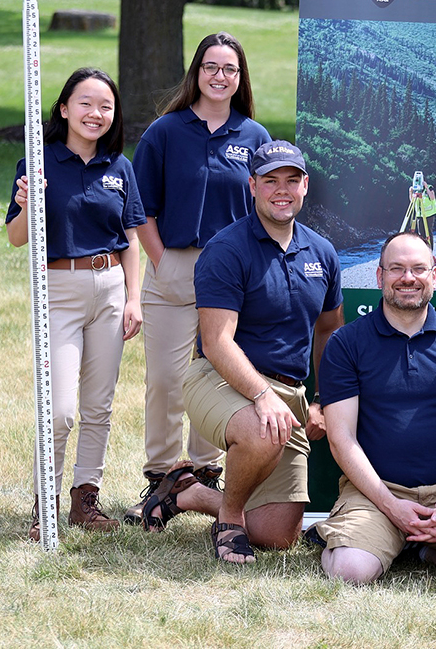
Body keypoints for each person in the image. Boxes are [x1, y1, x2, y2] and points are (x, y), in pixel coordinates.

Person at [143, 141, 343, 562]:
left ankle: (188, 492)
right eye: (270, 181)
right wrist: (263, 395)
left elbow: (328, 329)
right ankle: (230, 519)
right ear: (252, 186)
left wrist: (322, 399)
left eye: (292, 180)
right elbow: (217, 342)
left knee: (277, 535)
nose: (282, 190)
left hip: (289, 393)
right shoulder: (227, 249)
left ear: (306, 185)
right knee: (259, 428)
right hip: (218, 379)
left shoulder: (322, 252)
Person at [310, 232, 436, 585]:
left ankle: (423, 548)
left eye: (419, 269)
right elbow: (341, 438)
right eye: (397, 269)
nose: (408, 278)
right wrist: (391, 506)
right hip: (375, 493)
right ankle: (365, 535)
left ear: (434, 275)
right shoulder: (347, 343)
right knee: (350, 572)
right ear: (379, 277)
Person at [125, 32, 272, 525]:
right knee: (166, 379)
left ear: (239, 78)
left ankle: (205, 472)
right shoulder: (165, 132)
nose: (219, 76)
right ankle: (163, 477)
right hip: (175, 263)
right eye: (211, 66)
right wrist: (162, 261)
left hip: (232, 273)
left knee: (217, 372)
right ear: (197, 72)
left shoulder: (254, 137)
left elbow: (266, 207)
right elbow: (139, 205)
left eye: (229, 69)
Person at [5, 68, 144, 540]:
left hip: (109, 290)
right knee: (60, 409)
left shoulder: (119, 167)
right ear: (63, 108)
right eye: (85, 103)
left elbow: (131, 238)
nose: (96, 114)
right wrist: (27, 204)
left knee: (99, 404)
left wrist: (134, 298)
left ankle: (86, 500)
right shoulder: (37, 164)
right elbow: (15, 237)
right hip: (58, 291)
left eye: (105, 106)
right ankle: (46, 503)